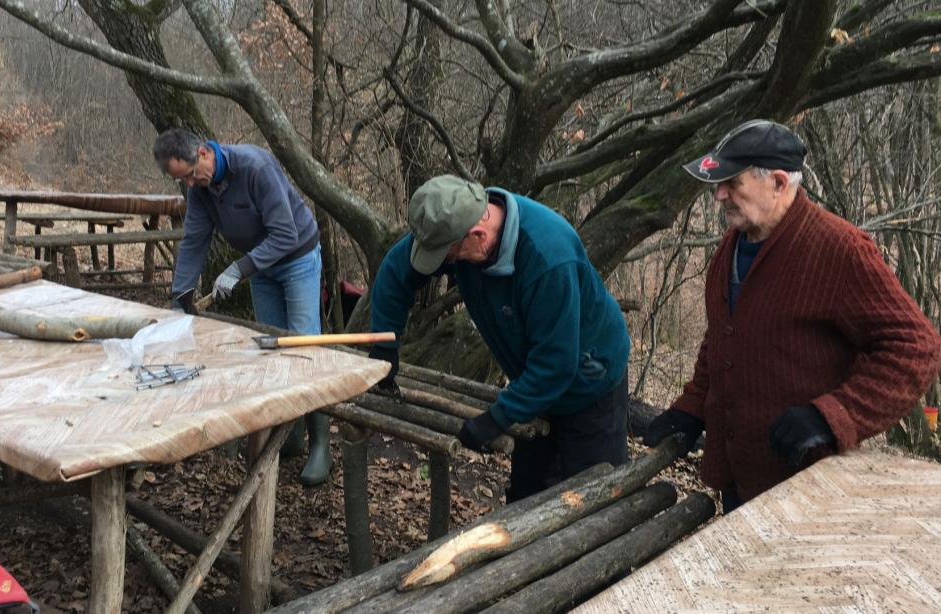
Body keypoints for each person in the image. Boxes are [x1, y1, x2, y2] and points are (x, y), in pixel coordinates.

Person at [644, 119, 941, 512]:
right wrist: (692, 407)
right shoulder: (732, 246)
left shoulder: (840, 250)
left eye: (733, 183)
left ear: (779, 183)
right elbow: (725, 335)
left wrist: (830, 417)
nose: (719, 195)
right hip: (740, 479)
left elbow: (917, 348)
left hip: (810, 488)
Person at [368, 175, 632, 503]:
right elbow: (397, 270)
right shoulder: (453, 225)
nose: (447, 263)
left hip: (591, 380)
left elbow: (555, 363)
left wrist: (497, 418)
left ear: (477, 236)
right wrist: (385, 344)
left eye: (449, 256)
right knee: (528, 493)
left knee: (594, 497)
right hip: (533, 378)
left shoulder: (548, 259)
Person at [154, 127, 331, 486]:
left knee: (304, 345)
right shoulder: (202, 190)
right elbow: (193, 242)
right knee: (272, 347)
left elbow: (285, 234)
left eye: (189, 174)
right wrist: (179, 299)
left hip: (296, 258)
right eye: (181, 180)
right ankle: (289, 435)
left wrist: (238, 269)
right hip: (261, 267)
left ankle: (321, 445)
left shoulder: (254, 167)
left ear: (203, 153)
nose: (189, 184)